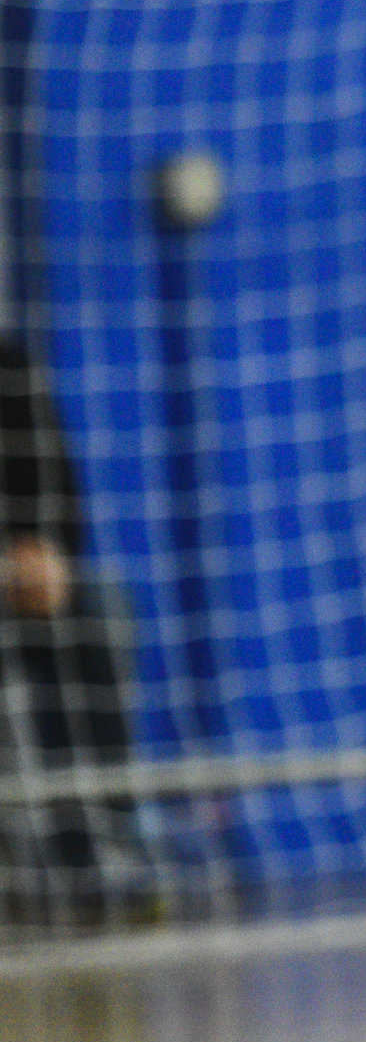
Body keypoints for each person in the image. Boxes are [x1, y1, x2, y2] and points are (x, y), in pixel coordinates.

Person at [0, 334, 153, 921]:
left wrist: (49, 557)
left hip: (16, 584)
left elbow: (62, 504)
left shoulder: (12, 368)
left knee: (101, 610)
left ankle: (100, 837)